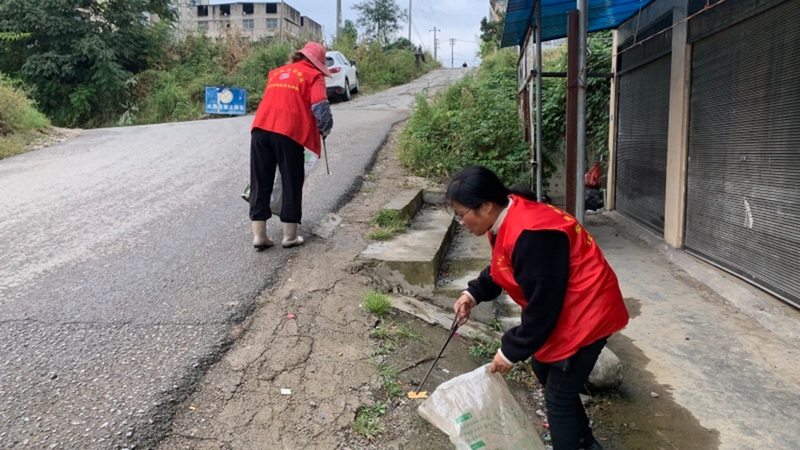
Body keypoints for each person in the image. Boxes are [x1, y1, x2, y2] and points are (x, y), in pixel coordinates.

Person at [448, 166, 629, 450]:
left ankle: (576, 443)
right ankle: (585, 443)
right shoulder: (507, 218)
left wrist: (509, 352)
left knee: (559, 397)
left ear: (485, 206)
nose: (461, 222)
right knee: (543, 368)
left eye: (461, 214)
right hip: (568, 304)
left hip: (589, 308)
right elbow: (505, 265)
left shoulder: (532, 234)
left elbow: (543, 308)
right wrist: (473, 293)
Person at [248, 42, 333, 250]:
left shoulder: (277, 73)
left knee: (260, 182)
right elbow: (320, 108)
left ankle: (260, 236)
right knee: (291, 182)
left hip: (260, 130)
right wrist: (325, 129)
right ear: (317, 63)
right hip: (289, 134)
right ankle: (290, 237)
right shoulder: (314, 76)